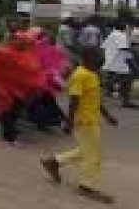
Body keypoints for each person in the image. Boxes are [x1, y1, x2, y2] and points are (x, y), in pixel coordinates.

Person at [41, 47, 119, 205]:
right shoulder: (80, 75)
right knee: (93, 155)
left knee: (86, 150)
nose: (102, 60)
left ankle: (54, 161)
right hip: (83, 122)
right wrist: (69, 122)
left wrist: (107, 116)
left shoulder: (93, 74)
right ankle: (86, 186)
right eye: (99, 57)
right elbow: (74, 101)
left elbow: (96, 98)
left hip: (92, 119)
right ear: (87, 57)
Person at [100, 21, 137, 108]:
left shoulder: (112, 35)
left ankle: (125, 101)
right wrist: (132, 61)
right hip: (119, 64)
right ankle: (125, 101)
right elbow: (124, 49)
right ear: (123, 27)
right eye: (127, 27)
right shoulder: (121, 36)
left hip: (111, 62)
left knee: (116, 81)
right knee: (123, 81)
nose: (128, 28)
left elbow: (104, 48)